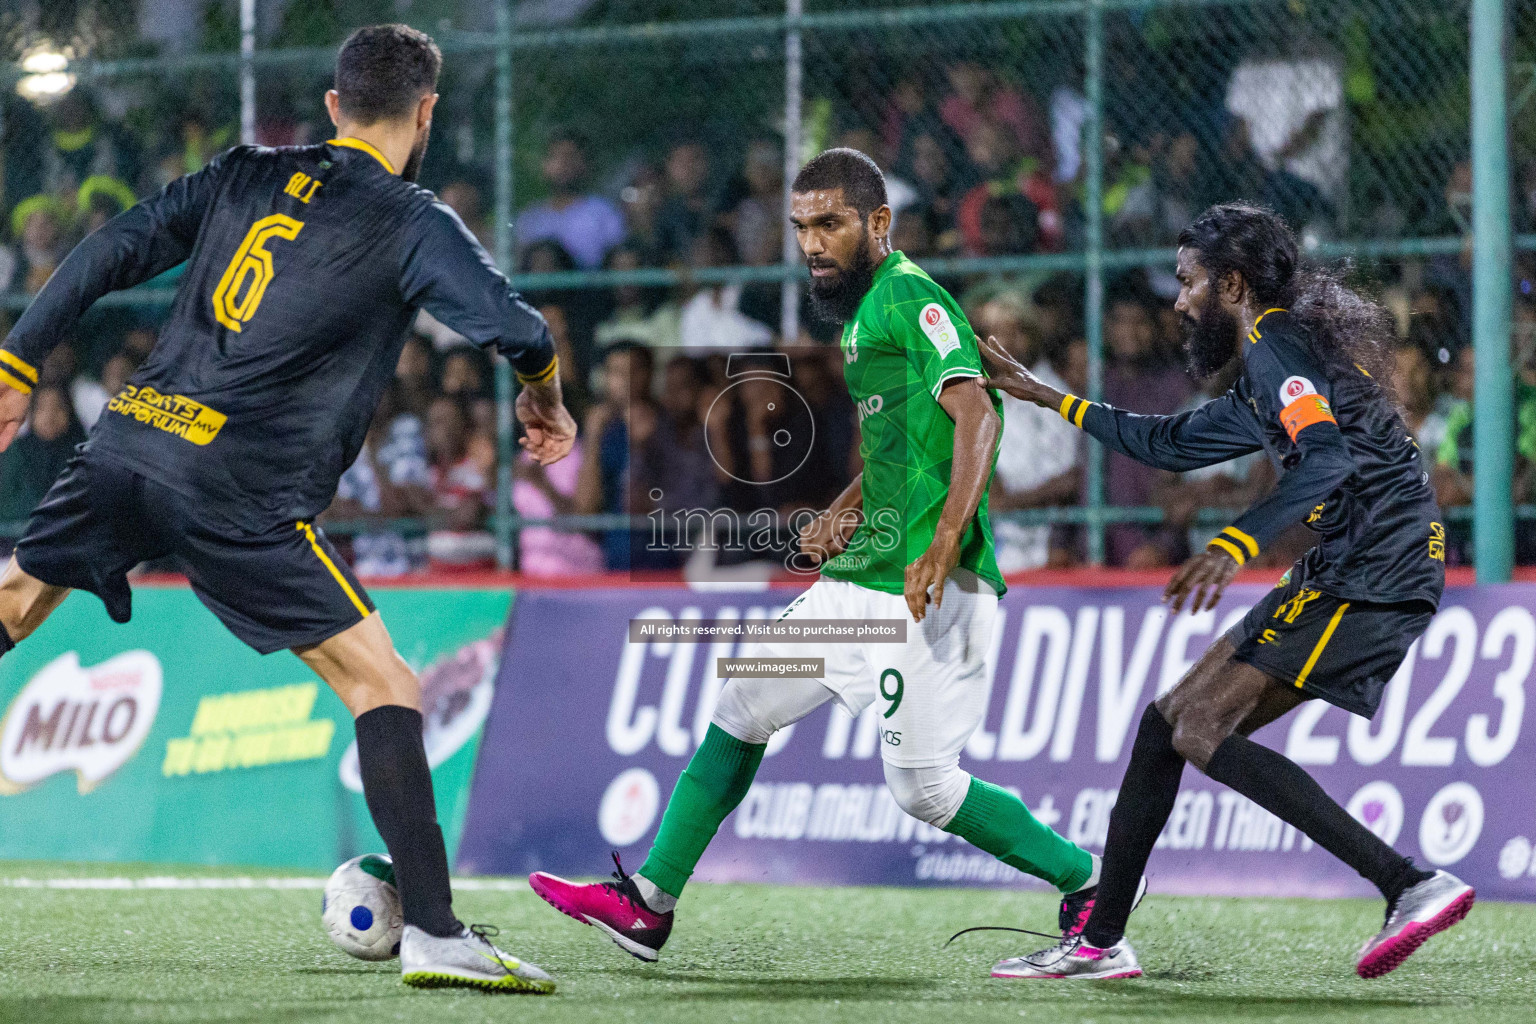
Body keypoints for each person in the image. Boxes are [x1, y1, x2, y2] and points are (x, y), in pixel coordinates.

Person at [0, 24, 575, 994]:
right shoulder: (412, 218)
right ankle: (433, 931)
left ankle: (432, 928)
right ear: (426, 113)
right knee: (386, 683)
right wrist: (547, 393)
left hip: (127, 442)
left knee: (13, 604)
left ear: (334, 106)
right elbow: (516, 324)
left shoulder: (239, 174)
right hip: (239, 491)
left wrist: (17, 361)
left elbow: (110, 249)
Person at [529, 147, 1129, 963]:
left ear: (878, 223)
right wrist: (844, 511)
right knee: (740, 706)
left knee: (923, 790)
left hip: (925, 586)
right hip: (864, 575)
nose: (812, 243)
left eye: (831, 224)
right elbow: (899, 451)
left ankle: (1087, 885)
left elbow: (978, 416)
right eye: (802, 226)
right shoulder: (859, 314)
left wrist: (944, 544)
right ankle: (650, 903)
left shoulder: (913, 297)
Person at [980, 203, 1470, 982]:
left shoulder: (1277, 347)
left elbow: (1327, 460)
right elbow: (1169, 445)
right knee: (1166, 722)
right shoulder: (1270, 363)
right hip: (1364, 559)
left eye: (1189, 282)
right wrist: (1049, 396)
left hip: (1377, 563)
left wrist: (1232, 543)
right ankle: (1101, 943)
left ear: (1231, 283)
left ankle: (1410, 882)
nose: (1178, 302)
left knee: (1201, 725)